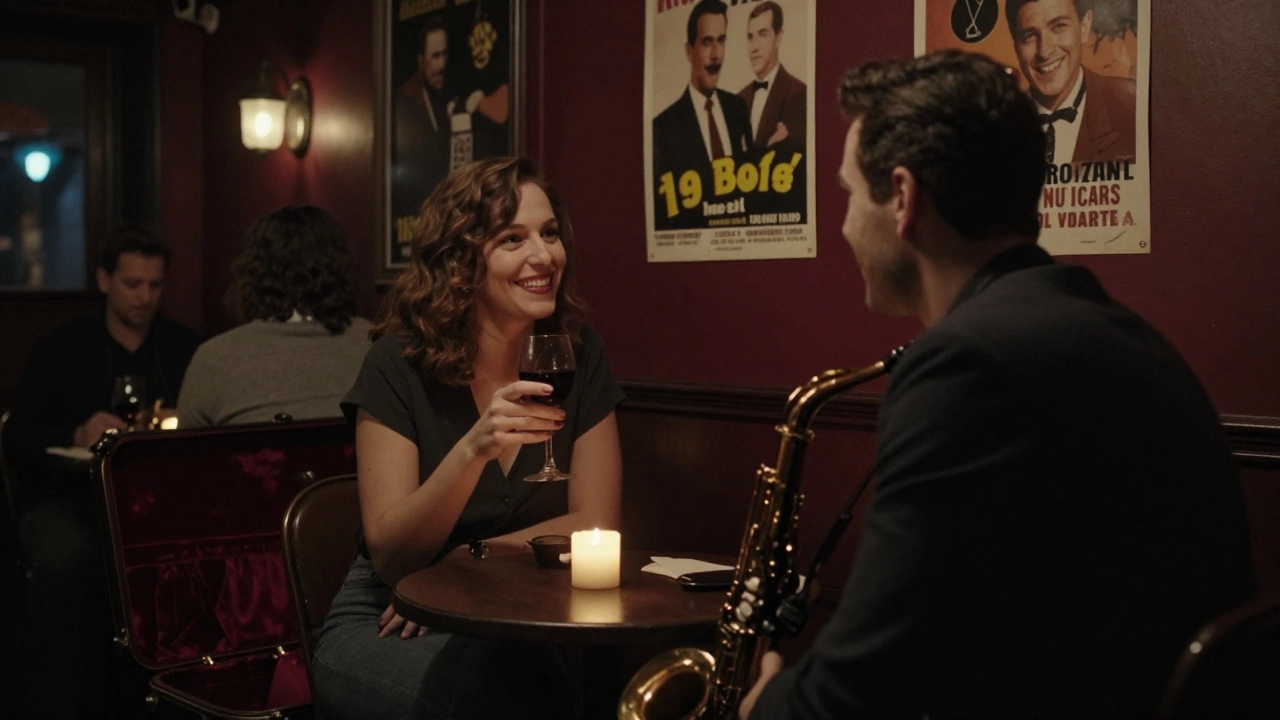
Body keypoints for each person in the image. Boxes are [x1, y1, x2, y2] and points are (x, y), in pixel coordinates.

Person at [739, 50, 1254, 719]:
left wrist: (764, 704)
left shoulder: (970, 366)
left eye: (846, 194)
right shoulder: (1118, 336)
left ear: (902, 197)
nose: (841, 224)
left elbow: (856, 694)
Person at [310, 156, 624, 720]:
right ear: (460, 261)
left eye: (550, 234)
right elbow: (390, 553)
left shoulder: (576, 352)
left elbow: (595, 524)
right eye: (512, 239)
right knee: (495, 696)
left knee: (534, 683)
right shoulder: (397, 364)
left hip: (511, 622)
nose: (543, 256)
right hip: (387, 618)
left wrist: (469, 564)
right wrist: (473, 450)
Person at [1, 224, 203, 718]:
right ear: (105, 280)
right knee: (70, 560)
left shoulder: (184, 348)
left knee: (193, 558)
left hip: (152, 502)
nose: (145, 297)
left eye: (155, 285)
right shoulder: (61, 346)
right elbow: (16, 434)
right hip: (66, 498)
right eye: (133, 284)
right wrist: (75, 432)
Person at [177, 206, 372, 427]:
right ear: (341, 269)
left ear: (254, 273)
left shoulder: (214, 358)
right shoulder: (374, 344)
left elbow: (185, 454)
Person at [652, 0, 752, 230]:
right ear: (689, 51)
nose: (716, 54)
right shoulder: (664, 126)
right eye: (707, 42)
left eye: (721, 41)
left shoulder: (737, 108)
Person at [1007, 0, 1137, 164]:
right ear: (1016, 46)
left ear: (1084, 26)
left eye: (1059, 26)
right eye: (1029, 36)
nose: (1044, 51)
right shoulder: (996, 128)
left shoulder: (1132, 105)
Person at [393, 14, 454, 227]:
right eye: (435, 56)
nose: (442, 65)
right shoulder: (407, 102)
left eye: (445, 55)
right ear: (421, 61)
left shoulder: (443, 95)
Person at [736, 1, 805, 152]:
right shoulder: (739, 99)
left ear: (778, 38)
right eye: (750, 37)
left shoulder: (798, 93)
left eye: (763, 34)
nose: (754, 47)